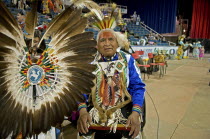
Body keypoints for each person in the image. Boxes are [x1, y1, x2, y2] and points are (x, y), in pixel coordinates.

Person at [77, 29, 146, 139]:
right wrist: (83, 111)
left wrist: (136, 112)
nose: (107, 44)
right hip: (96, 108)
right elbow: (81, 90)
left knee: (133, 133)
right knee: (83, 130)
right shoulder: (90, 62)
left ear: (117, 42)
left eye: (111, 39)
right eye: (102, 40)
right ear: (97, 45)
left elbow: (137, 87)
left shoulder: (128, 60)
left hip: (123, 106)